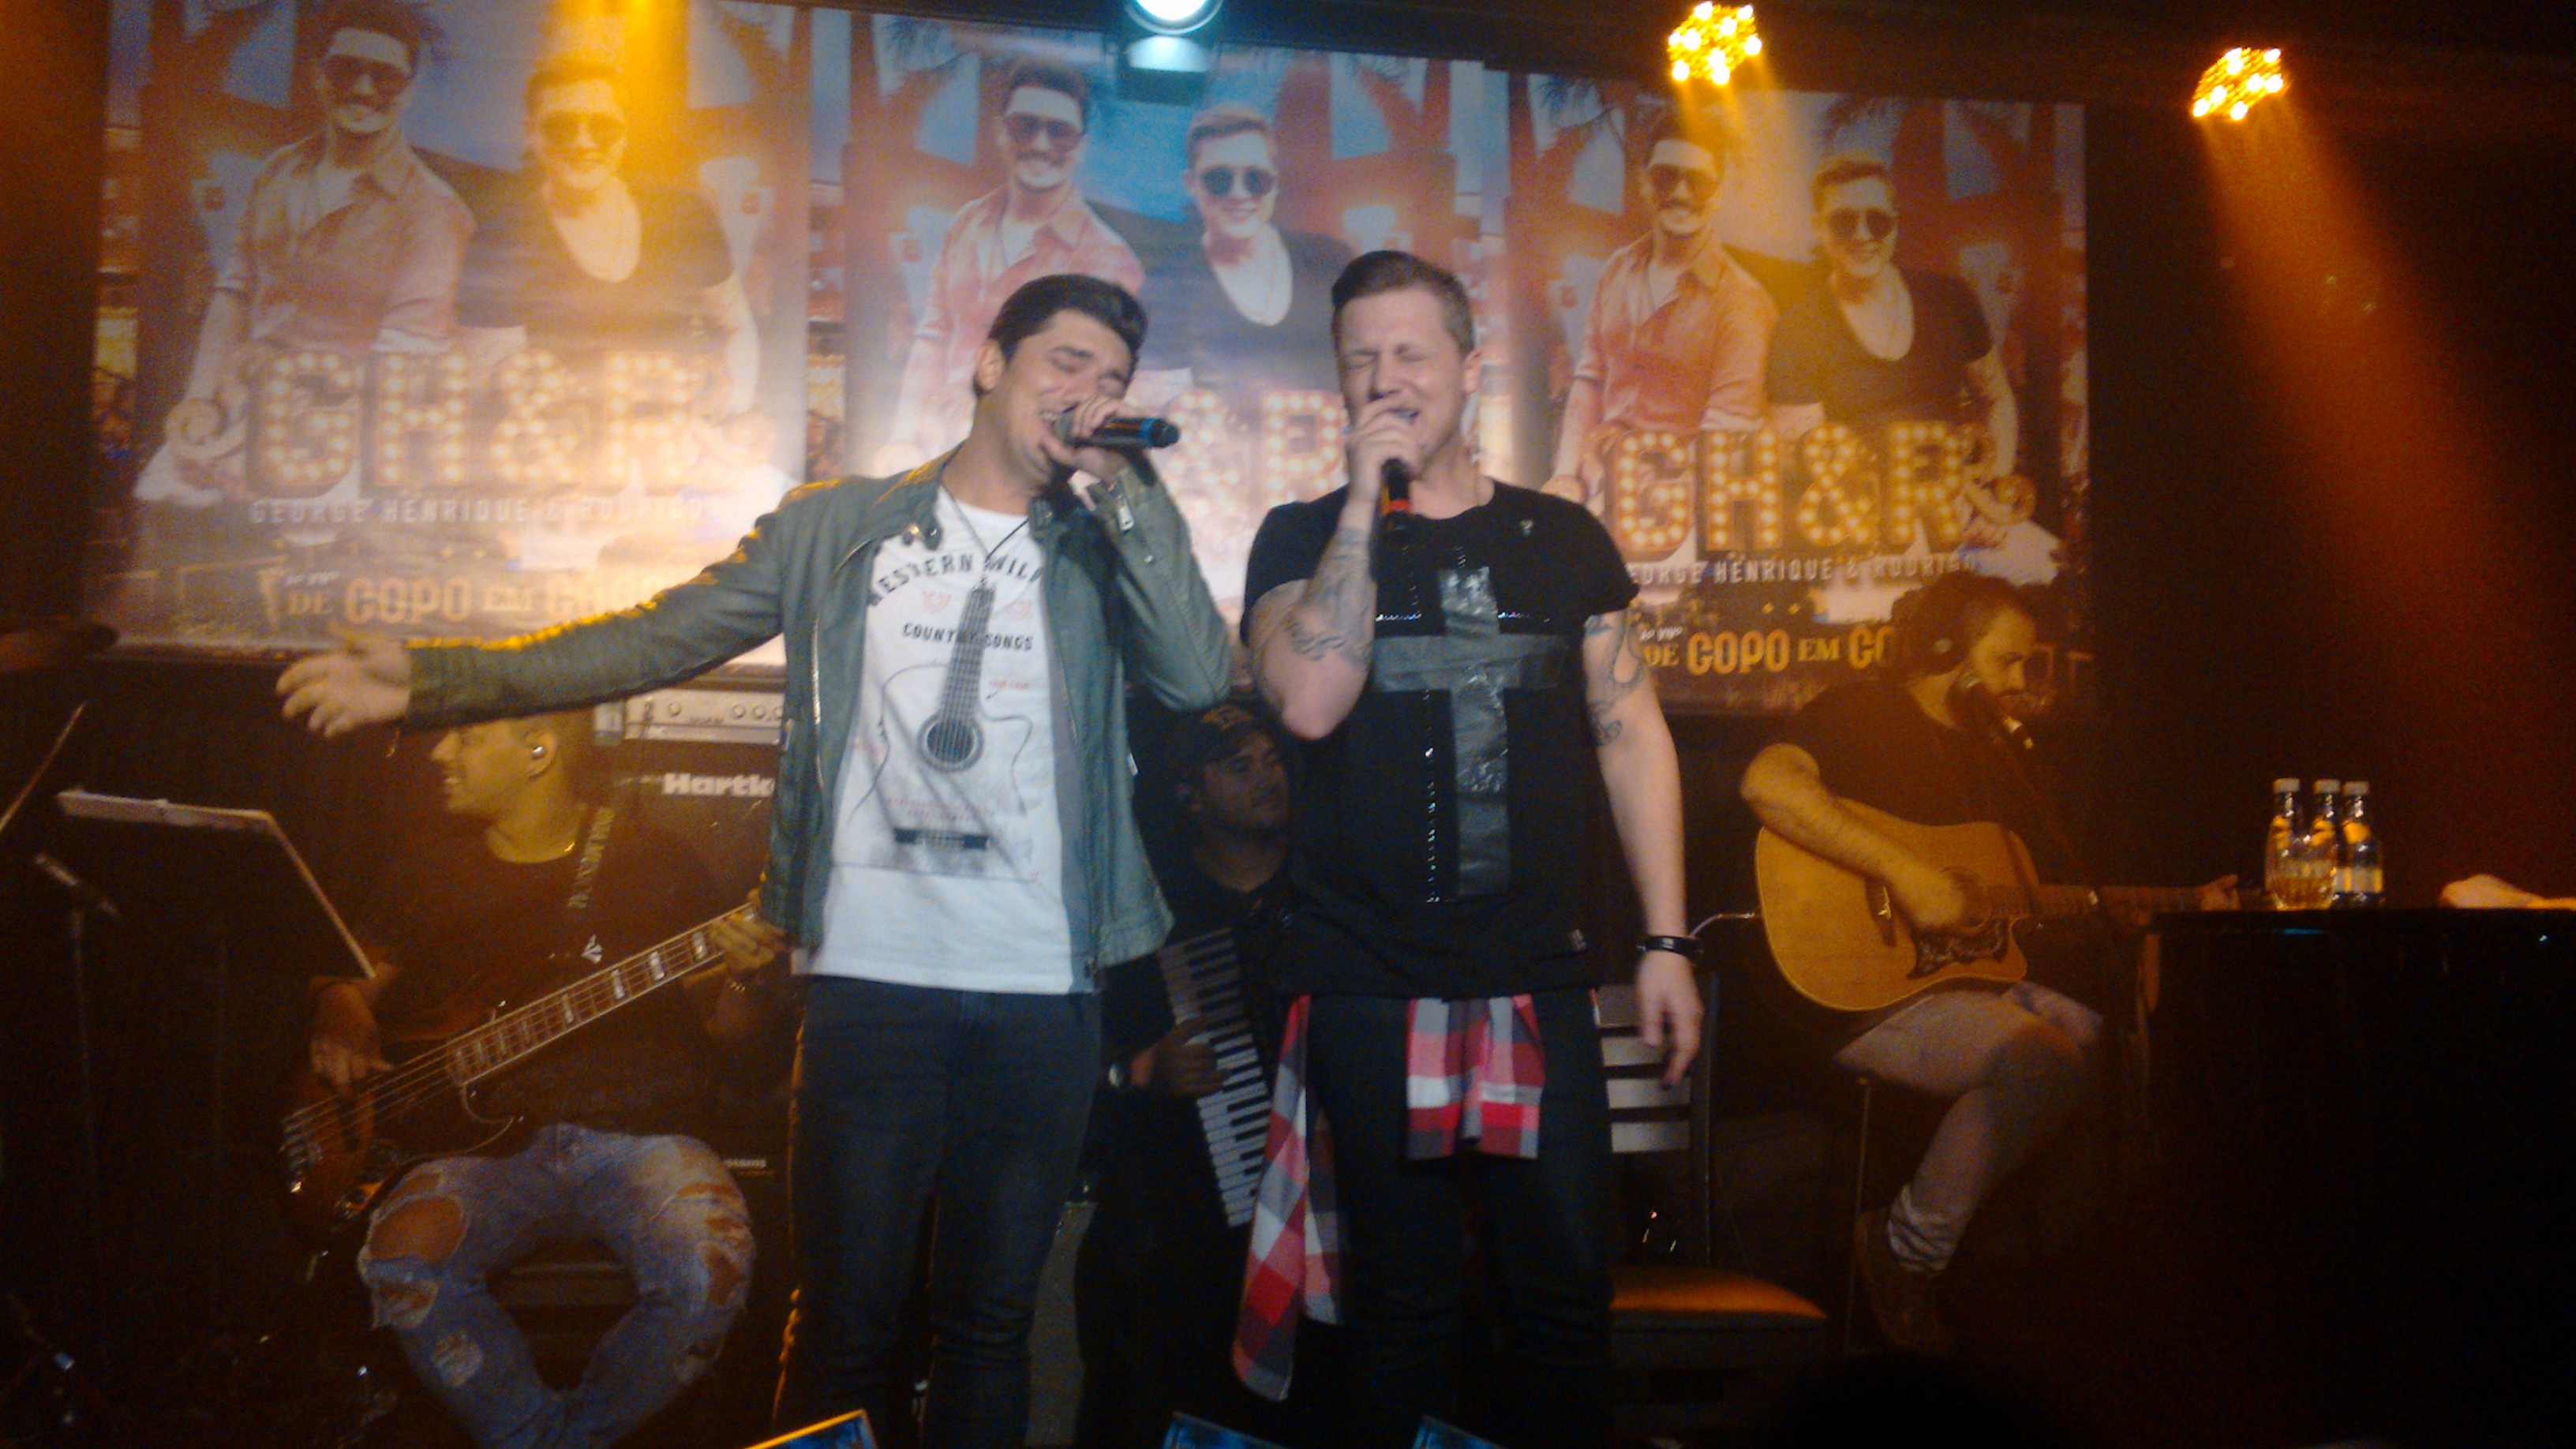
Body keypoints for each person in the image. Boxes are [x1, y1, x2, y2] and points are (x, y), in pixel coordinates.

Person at [279, 271, 1233, 1449]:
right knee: (844, 1323)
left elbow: (1199, 675)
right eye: (1067, 362)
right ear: (991, 365)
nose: (1091, 390)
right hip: (874, 986)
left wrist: (1129, 486)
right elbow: (649, 640)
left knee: (988, 1329)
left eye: (1114, 377)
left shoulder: (1098, 547)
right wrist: (439, 681)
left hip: (1043, 990)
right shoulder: (835, 526)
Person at [1237, 252, 1701, 1449]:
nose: (1386, 380)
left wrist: (1664, 941)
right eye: (1362, 360)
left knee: (1563, 1301)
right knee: (1402, 1308)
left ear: (1471, 367)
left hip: (1533, 974)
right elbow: (1309, 703)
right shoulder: (1299, 535)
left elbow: (1632, 737)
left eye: (1411, 354)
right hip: (1367, 977)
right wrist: (1361, 504)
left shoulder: (1561, 537)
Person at [1737, 572, 2226, 1354]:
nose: (2019, 681)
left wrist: (2175, 905)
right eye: (2007, 660)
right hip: (1851, 993)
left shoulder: (1992, 762)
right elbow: (1767, 785)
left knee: (2111, 1051)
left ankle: (2012, 1275)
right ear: (1946, 650)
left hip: (1958, 986)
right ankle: (1904, 1253)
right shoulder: (1857, 711)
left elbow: (2016, 902)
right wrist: (1906, 872)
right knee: (2041, 1057)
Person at [309, 711, 778, 1449]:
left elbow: (733, 1039)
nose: (440, 753)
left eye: (467, 737)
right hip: (478, 1152)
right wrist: (337, 1005)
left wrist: (748, 980)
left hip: (643, 1140)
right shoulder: (426, 866)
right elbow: (349, 982)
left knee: (707, 1276)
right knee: (401, 1260)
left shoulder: (653, 859)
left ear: (539, 750)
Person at [1076, 702, 1326, 1448]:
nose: (1266, 778)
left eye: (1272, 760)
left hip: (1324, 1209)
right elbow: (1075, 1064)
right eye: (1238, 766)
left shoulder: (1324, 893)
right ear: (1188, 793)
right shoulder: (1149, 913)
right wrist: (1137, 1070)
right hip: (1191, 1225)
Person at [140, 0, 473, 506]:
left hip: (352, 440)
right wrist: (201, 402)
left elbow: (403, 361)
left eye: (384, 77)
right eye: (346, 69)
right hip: (242, 415)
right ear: (319, 75)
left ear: (407, 91)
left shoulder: (434, 209)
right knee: (155, 497)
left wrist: (277, 435)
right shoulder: (277, 172)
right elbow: (234, 293)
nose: (363, 89)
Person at [458, 54, 760, 425]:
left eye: (603, 127)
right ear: (529, 131)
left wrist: (732, 417)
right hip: (559, 450)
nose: (583, 142)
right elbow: (492, 381)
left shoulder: (683, 216)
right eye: (560, 127)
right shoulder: (500, 239)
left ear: (625, 131)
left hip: (672, 448)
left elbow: (736, 325)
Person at [877, 62, 1144, 474]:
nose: (1040, 143)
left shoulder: (1110, 259)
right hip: (936, 456)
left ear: (1081, 146)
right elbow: (933, 336)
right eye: (1025, 125)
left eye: (1059, 131)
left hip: (1030, 471)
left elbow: (1100, 392)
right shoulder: (967, 223)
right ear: (1001, 131)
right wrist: (901, 438)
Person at [1765, 155, 2024, 553]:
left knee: (2046, 571)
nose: (1862, 234)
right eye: (1843, 221)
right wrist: (1899, 524)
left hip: (1965, 515)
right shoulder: (1796, 331)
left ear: (1895, 224)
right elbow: (1806, 458)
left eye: (1877, 220)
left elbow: (1996, 398)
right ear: (1819, 227)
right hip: (1860, 534)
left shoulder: (1950, 300)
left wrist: (1990, 496)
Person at [1546, 109, 1776, 506]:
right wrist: (1565, 476)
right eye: (1666, 176)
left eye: (1699, 182)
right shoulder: (1617, 269)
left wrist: (1642, 498)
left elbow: (1723, 437)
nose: (1681, 193)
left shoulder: (1744, 301)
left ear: (1718, 193)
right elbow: (1590, 379)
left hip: (1687, 504)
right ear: (1644, 183)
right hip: (1599, 484)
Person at [1135, 104, 1353, 429]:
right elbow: (1160, 413)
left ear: (1275, 182)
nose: (1238, 194)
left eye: (1256, 179)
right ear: (1191, 183)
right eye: (1219, 179)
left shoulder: (1331, 263)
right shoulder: (1166, 289)